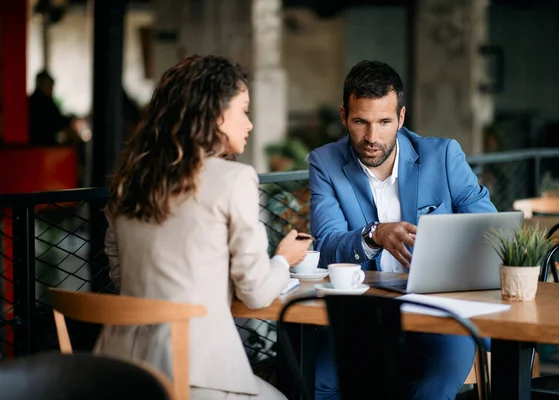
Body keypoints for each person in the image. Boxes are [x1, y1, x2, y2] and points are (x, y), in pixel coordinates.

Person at [94, 55, 312, 400]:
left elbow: (123, 275)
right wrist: (284, 259)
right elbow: (255, 293)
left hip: (125, 369)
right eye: (244, 110)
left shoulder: (131, 178)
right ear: (215, 114)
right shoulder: (235, 179)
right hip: (195, 374)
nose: (250, 124)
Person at [308, 60, 497, 400]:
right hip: (366, 314)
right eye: (360, 122)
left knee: (429, 391)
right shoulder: (324, 162)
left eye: (384, 122)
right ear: (343, 116)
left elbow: (491, 232)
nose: (372, 137)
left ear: (401, 118)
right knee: (317, 386)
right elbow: (327, 246)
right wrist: (374, 234)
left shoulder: (442, 156)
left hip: (442, 312)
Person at [28, 70, 82, 145]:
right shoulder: (44, 102)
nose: (51, 89)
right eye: (49, 86)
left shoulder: (33, 100)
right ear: (42, 85)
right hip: (43, 146)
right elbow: (59, 122)